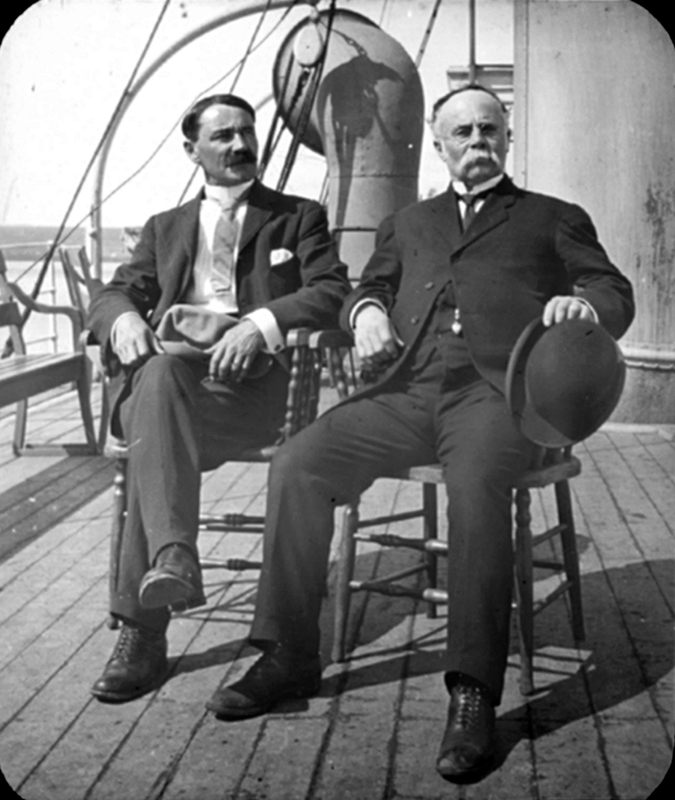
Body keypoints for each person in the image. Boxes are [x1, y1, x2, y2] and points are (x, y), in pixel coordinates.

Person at [206, 85, 635, 782]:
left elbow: (613, 290)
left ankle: (471, 692)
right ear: (437, 146)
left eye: (488, 129)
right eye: (460, 132)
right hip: (405, 391)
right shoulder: (408, 223)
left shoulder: (551, 218)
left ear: (506, 137)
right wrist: (368, 313)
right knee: (298, 461)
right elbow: (363, 288)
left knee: (474, 487)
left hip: (497, 397)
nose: (476, 141)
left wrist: (578, 302)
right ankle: (288, 654)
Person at [87, 93, 350, 704]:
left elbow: (332, 290)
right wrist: (122, 318)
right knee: (156, 380)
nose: (239, 145)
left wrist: (259, 324)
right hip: (174, 389)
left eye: (246, 132)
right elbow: (114, 293)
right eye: (223, 135)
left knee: (154, 440)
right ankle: (173, 560)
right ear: (192, 151)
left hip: (251, 395)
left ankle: (142, 636)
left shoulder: (297, 217)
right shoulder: (166, 228)